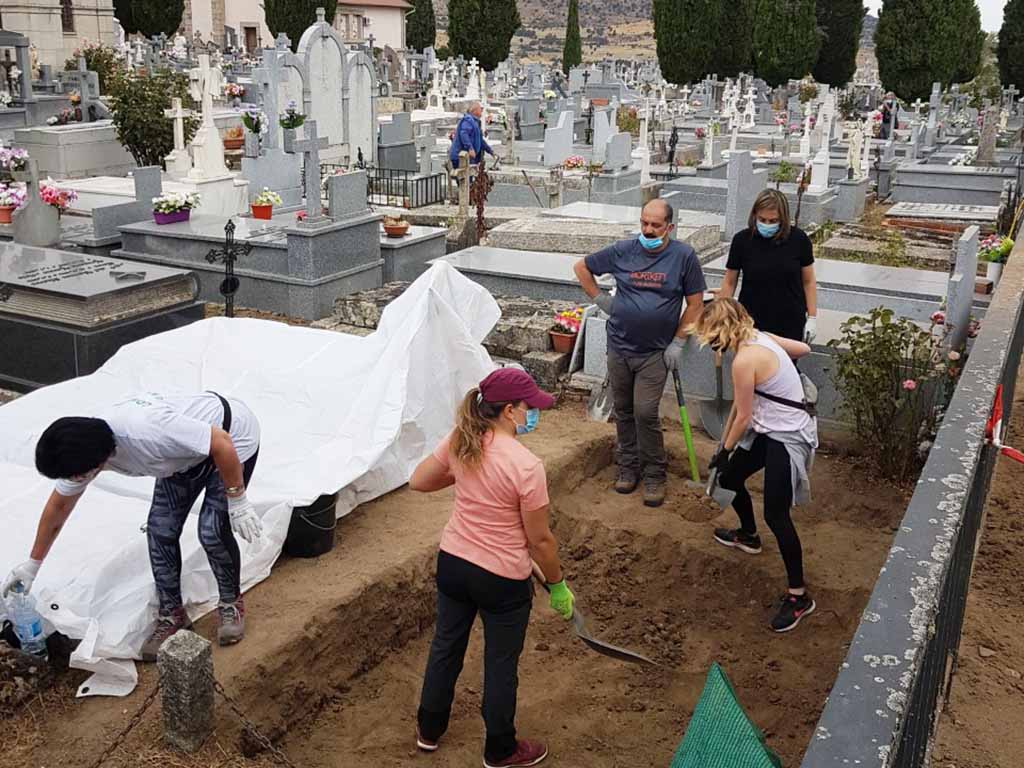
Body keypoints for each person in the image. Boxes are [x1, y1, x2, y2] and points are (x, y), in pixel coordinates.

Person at [1, 392, 262, 659]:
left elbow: (221, 443)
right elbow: (58, 507)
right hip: (181, 459)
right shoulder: (82, 452)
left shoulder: (147, 432)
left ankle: (231, 603)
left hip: (231, 436)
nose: (74, 480)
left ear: (94, 461)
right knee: (160, 530)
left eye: (75, 475)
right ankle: (172, 615)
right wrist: (32, 565)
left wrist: (237, 499)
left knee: (211, 529)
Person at [410, 367, 572, 768]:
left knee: (446, 645)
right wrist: (558, 585)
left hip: (453, 564)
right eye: (529, 406)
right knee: (500, 663)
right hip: (501, 578)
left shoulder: (461, 441)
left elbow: (419, 480)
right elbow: (540, 541)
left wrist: (471, 484)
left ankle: (429, 729)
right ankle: (500, 748)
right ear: (511, 411)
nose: (533, 412)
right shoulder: (526, 465)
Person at [693, 299, 818, 633]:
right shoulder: (761, 337)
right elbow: (804, 348)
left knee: (776, 514)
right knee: (731, 479)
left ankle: (798, 596)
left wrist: (724, 451)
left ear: (722, 330)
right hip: (768, 427)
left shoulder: (744, 360)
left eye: (711, 336)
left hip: (787, 434)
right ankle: (748, 536)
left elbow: (743, 415)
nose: (711, 345)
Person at [573, 199, 706, 507]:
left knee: (645, 412)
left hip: (655, 353)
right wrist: (601, 299)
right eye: (644, 223)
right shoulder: (623, 250)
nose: (648, 229)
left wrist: (678, 342)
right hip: (619, 346)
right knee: (623, 409)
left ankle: (655, 474)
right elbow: (582, 267)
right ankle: (627, 466)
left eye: (655, 225)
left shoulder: (683, 257)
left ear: (670, 227)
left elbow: (695, 303)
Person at [717, 189, 818, 345]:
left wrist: (812, 317)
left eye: (773, 221)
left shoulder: (799, 240)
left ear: (783, 219)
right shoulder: (742, 241)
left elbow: (808, 281)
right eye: (762, 219)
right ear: (754, 216)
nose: (767, 225)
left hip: (789, 320)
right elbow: (730, 281)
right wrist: (723, 316)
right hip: (751, 321)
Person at [449, 100, 495, 169]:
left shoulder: (475, 122)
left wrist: (491, 151)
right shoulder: (468, 120)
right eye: (480, 109)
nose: (482, 111)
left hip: (468, 157)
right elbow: (464, 134)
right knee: (464, 177)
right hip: (460, 157)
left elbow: (480, 141)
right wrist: (470, 148)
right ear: (475, 111)